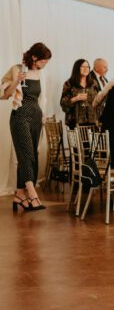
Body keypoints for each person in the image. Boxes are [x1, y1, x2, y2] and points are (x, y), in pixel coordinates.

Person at [2, 42, 51, 212]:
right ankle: (32, 194)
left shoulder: (40, 74)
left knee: (32, 156)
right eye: (43, 60)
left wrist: (43, 115)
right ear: (34, 57)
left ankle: (19, 195)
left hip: (36, 117)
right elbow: (4, 95)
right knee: (26, 154)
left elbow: (41, 98)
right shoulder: (17, 69)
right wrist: (17, 81)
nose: (45, 64)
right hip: (20, 115)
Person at [60, 59, 100, 129]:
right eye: (83, 67)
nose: (86, 69)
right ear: (77, 68)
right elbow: (63, 103)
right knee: (77, 140)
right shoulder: (69, 83)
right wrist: (76, 98)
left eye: (87, 67)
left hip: (92, 121)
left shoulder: (93, 83)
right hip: (75, 122)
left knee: (92, 140)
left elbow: (99, 101)